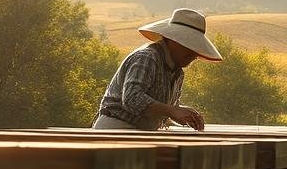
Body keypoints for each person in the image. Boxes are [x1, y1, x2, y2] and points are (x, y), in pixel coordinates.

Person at [93, 8, 222, 131]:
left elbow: (163, 109)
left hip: (142, 132)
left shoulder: (177, 72)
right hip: (116, 129)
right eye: (189, 46)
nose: (194, 55)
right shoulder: (147, 57)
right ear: (173, 41)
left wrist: (182, 112)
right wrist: (172, 111)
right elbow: (132, 98)